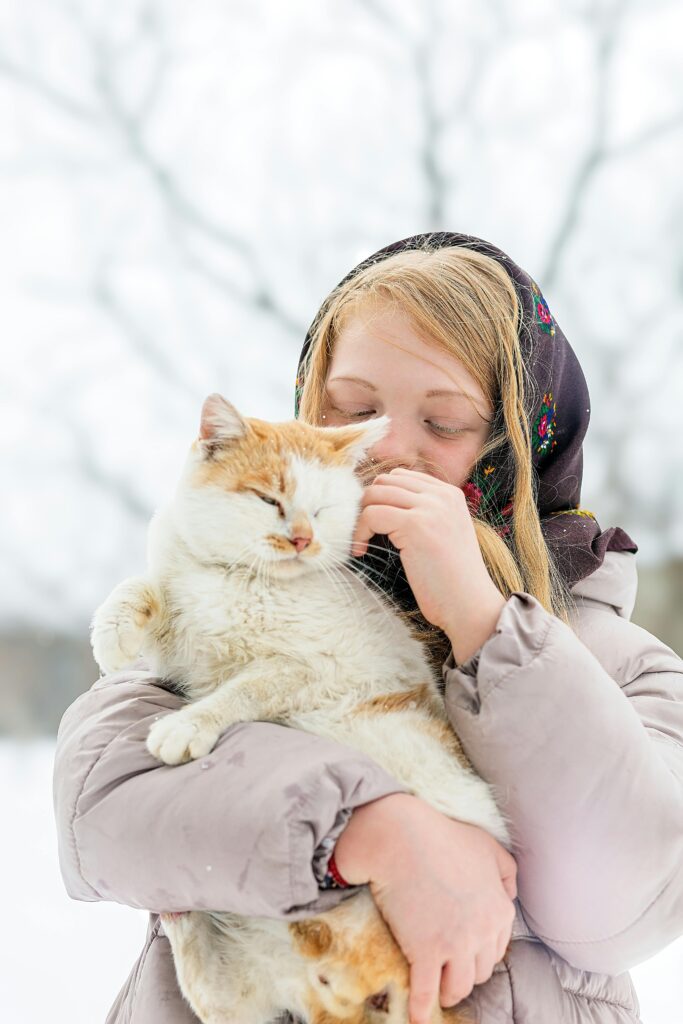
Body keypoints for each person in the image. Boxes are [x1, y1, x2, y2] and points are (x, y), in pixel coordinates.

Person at [53, 231, 683, 1024]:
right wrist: (369, 826)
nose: (385, 449)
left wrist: (484, 623)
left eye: (444, 423)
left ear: (516, 447)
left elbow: (619, 904)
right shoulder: (227, 591)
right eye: (354, 410)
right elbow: (99, 816)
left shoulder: (623, 665)